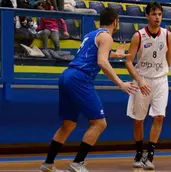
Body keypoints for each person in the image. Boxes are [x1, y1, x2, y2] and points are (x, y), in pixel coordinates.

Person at [40, 7, 138, 172]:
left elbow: (95, 53)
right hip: (80, 79)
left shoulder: (91, 35)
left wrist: (115, 54)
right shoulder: (107, 37)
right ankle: (78, 163)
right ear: (116, 21)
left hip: (67, 76)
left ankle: (48, 164)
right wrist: (120, 83)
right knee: (100, 123)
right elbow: (101, 61)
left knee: (68, 125)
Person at [125, 2, 171, 170]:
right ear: (147, 16)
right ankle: (139, 153)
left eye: (160, 14)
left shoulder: (167, 35)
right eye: (154, 14)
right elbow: (128, 62)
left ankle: (150, 155)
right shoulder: (138, 36)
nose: (157, 18)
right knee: (139, 120)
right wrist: (139, 80)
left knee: (159, 116)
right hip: (143, 80)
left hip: (161, 80)